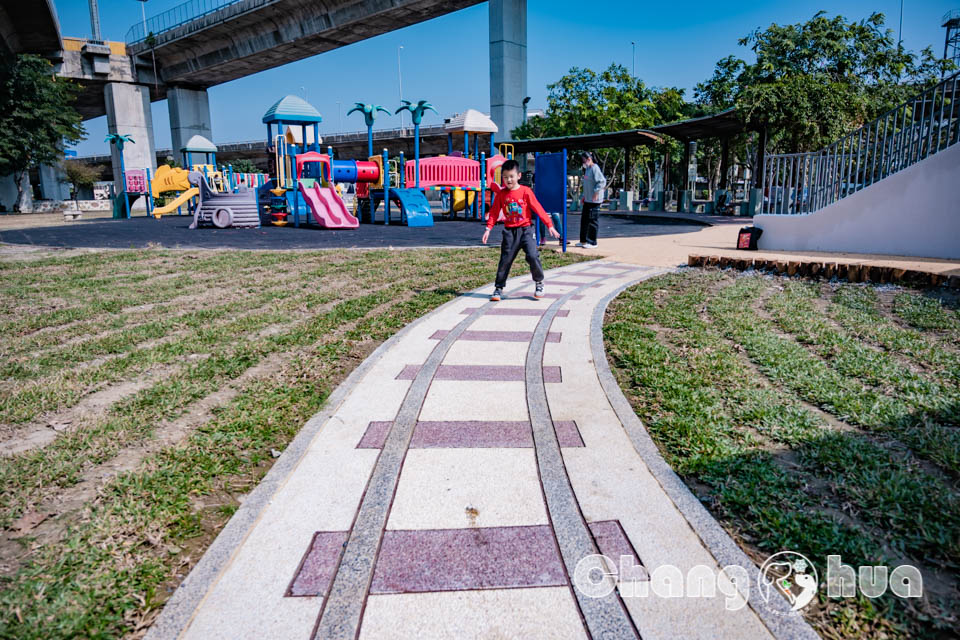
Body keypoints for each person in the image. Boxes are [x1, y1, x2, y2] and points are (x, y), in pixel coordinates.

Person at [481, 159, 560, 301]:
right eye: (505, 177)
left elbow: (538, 208)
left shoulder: (526, 191)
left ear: (519, 175)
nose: (508, 180)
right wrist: (488, 228)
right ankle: (498, 288)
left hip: (526, 230)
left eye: (511, 176)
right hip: (509, 232)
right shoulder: (501, 194)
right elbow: (493, 212)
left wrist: (549, 225)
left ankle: (539, 282)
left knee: (532, 255)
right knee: (505, 259)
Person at [578, 151, 606, 248]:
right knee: (584, 220)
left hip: (594, 200)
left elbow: (602, 182)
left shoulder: (595, 168)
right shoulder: (587, 170)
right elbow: (587, 184)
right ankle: (583, 241)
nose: (583, 162)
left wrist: (596, 192)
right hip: (587, 200)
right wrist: (584, 196)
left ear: (589, 159)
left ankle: (592, 242)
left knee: (592, 221)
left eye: (584, 160)